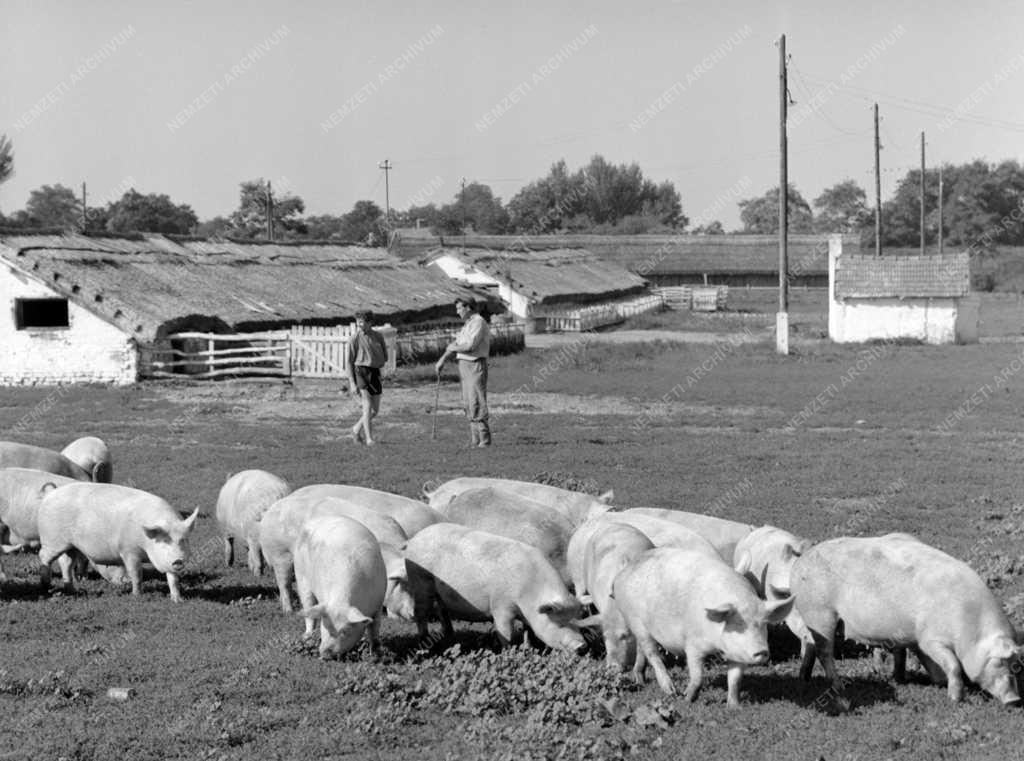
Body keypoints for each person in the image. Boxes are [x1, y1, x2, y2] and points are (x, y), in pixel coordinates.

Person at [436, 297, 492, 447]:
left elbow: (470, 346)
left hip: (475, 364)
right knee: (468, 402)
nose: (457, 311)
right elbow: (455, 344)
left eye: (459, 308)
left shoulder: (478, 322)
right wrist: (442, 360)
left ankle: (484, 439)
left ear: (468, 307)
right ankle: (475, 439)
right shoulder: (467, 325)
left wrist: (453, 348)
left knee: (477, 400)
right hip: (464, 365)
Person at [346, 310, 388, 446]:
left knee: (375, 410)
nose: (359, 323)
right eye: (357, 320)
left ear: (370, 322)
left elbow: (385, 357)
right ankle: (369, 439)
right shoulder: (354, 339)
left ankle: (355, 429)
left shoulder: (378, 336)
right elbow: (348, 362)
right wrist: (352, 383)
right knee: (367, 405)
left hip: (374, 372)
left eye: (362, 321)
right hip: (361, 371)